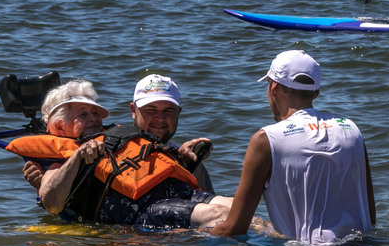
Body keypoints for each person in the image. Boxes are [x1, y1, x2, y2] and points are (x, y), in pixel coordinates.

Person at [17, 79, 231, 230]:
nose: (93, 118)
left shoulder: (117, 138)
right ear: (60, 127)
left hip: (174, 192)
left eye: (95, 112)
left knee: (235, 205)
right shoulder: (59, 159)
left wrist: (183, 159)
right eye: (83, 114)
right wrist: (77, 157)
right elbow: (52, 203)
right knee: (218, 215)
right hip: (143, 209)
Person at [212, 50, 375, 245]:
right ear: (316, 92)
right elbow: (369, 216)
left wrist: (191, 235)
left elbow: (234, 229)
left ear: (273, 88)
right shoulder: (351, 129)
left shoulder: (266, 139)